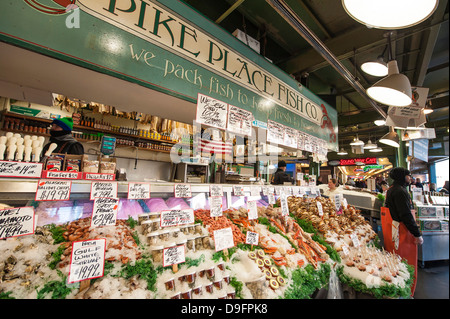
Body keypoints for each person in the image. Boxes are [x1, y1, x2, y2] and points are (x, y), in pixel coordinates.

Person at [385, 167, 423, 245]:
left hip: (396, 226)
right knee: (404, 255)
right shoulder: (400, 191)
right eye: (408, 175)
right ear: (402, 176)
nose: (410, 178)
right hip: (402, 229)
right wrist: (417, 234)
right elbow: (405, 214)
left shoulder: (391, 189)